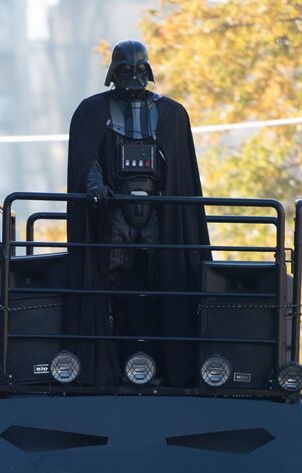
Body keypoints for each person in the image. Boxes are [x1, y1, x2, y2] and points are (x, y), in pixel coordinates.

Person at [66, 39, 210, 386]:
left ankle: (164, 361)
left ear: (147, 71)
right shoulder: (94, 112)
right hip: (114, 213)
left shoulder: (171, 114)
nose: (133, 77)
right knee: (111, 284)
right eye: (125, 71)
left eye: (138, 70)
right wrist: (95, 184)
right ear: (114, 73)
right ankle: (110, 360)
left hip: (159, 212)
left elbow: (180, 171)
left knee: (164, 280)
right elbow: (89, 159)